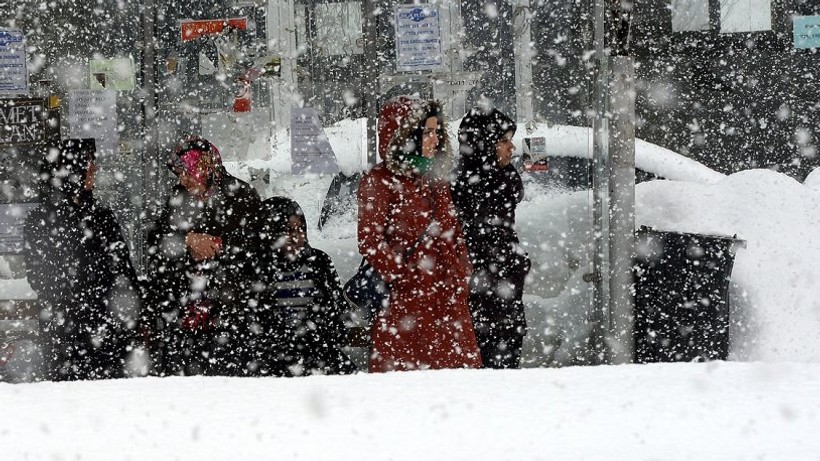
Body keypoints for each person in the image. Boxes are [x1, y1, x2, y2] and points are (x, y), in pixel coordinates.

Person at [357, 95, 482, 372]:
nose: (435, 139)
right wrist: (404, 277)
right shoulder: (379, 181)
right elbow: (370, 240)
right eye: (427, 132)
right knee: (407, 388)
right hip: (406, 304)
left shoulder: (435, 179)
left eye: (437, 131)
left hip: (448, 301)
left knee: (456, 386)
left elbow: (454, 233)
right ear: (405, 136)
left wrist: (462, 272)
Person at [24, 138, 142, 381]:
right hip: (65, 332)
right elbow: (40, 277)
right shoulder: (42, 221)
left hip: (104, 331)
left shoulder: (101, 217)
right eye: (88, 165)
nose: (93, 171)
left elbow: (123, 270)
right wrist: (86, 296)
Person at [144, 137, 261, 376]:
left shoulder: (241, 196)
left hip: (231, 313)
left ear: (206, 167)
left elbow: (256, 246)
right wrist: (186, 241)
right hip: (185, 316)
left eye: (187, 172)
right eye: (179, 174)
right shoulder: (177, 198)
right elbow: (155, 239)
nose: (182, 179)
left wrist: (219, 246)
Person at [451, 106, 531, 369]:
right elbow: (483, 247)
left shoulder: (498, 180)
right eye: (504, 141)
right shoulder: (472, 188)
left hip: (501, 303)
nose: (512, 148)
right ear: (485, 145)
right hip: (485, 306)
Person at [248, 196, 357, 377]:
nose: (295, 237)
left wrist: (315, 335)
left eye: (300, 230)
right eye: (287, 231)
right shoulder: (256, 269)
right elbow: (253, 328)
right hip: (271, 362)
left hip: (318, 354)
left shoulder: (318, 262)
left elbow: (337, 314)